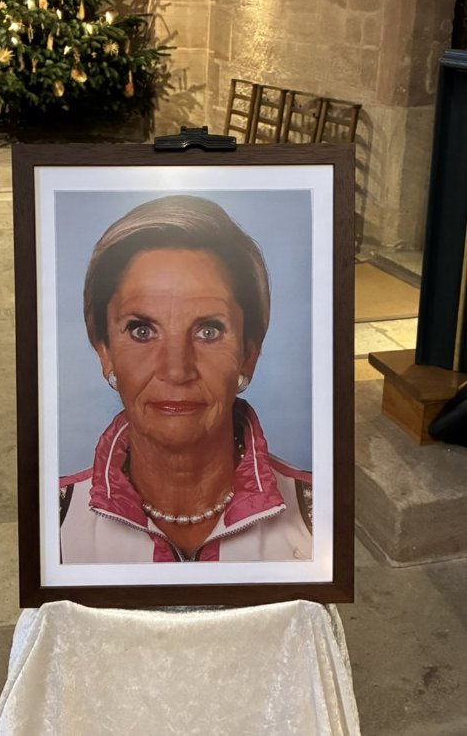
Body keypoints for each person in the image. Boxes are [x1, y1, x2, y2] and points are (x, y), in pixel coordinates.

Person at [59, 195, 312, 563]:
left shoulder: (318, 518)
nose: (176, 371)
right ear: (105, 351)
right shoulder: (52, 524)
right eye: (142, 331)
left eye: (208, 331)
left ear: (248, 353)